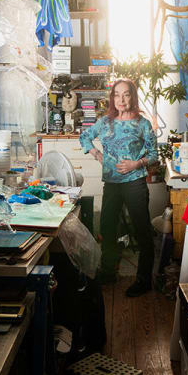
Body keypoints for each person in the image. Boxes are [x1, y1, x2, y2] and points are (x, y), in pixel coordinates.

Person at [80, 79, 158, 297]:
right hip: (112, 184)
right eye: (117, 95)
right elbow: (84, 137)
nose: (121, 99)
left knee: (141, 231)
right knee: (107, 228)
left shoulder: (142, 124)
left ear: (132, 96)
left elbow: (154, 156)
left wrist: (136, 163)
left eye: (126, 94)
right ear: (112, 98)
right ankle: (108, 273)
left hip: (135, 183)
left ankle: (143, 280)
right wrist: (97, 155)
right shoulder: (105, 122)